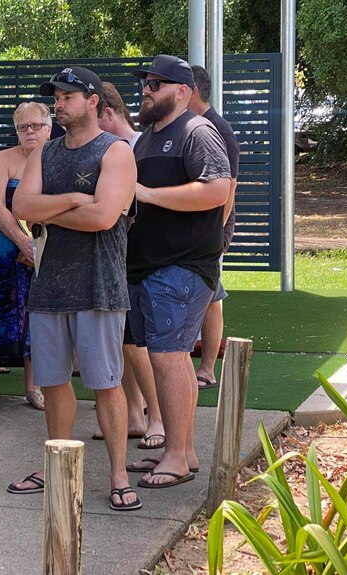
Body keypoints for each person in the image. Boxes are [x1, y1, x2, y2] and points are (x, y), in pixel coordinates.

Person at [10, 67, 141, 511]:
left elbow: (103, 218)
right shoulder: (43, 154)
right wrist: (72, 200)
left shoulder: (116, 152)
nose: (58, 103)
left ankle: (119, 476)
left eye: (67, 96)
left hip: (99, 286)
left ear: (92, 101)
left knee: (106, 383)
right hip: (48, 286)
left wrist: (51, 212)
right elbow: (21, 207)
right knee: (52, 382)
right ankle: (58, 467)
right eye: (56, 97)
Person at [125, 55, 231, 487]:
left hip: (182, 266)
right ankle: (181, 453)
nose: (146, 90)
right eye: (146, 83)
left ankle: (175, 454)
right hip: (151, 266)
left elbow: (218, 189)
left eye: (156, 84)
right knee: (171, 360)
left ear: (183, 91)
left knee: (169, 359)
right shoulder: (147, 137)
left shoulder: (197, 131)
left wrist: (147, 194)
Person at [91, 82, 165, 451]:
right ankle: (134, 415)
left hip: (139, 261)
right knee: (122, 343)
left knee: (137, 344)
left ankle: (159, 418)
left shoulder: (139, 148)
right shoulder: (109, 150)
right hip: (113, 261)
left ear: (106, 112)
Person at [0, 101, 52, 413]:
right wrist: (22, 242)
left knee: (39, 318)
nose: (29, 132)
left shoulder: (58, 156)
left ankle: (33, 387)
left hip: (47, 249)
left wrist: (38, 247)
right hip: (4, 251)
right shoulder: (4, 158)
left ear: (49, 127)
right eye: (22, 127)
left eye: (35, 126)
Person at [189, 65, 241, 390]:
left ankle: (207, 369)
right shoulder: (187, 126)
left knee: (211, 297)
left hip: (210, 234)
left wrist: (213, 234)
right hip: (189, 233)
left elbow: (229, 189)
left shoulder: (219, 129)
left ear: (191, 91)